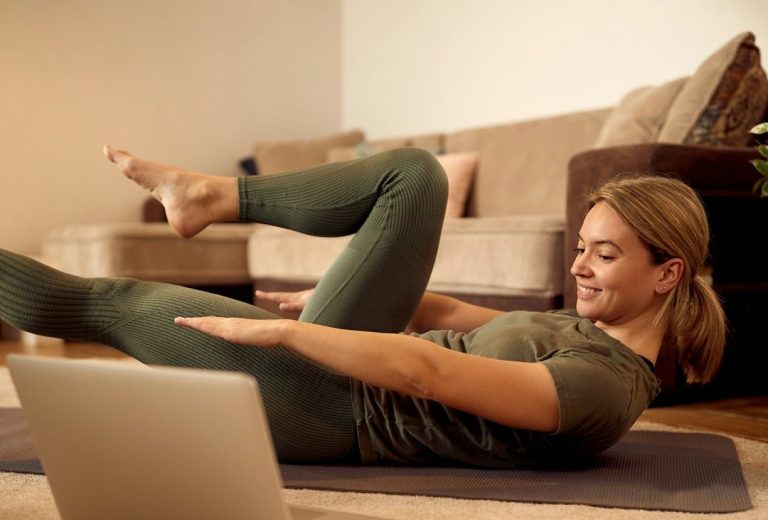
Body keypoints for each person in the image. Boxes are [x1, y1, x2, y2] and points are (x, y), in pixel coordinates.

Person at [0, 147, 725, 467]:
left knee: (112, 302)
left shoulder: (601, 386)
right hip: (364, 367)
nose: (578, 266)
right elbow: (442, 317)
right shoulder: (581, 327)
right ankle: (212, 197)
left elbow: (424, 376)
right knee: (414, 176)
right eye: (582, 246)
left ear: (667, 274)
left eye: (604, 254)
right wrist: (338, 294)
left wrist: (286, 337)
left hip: (344, 412)